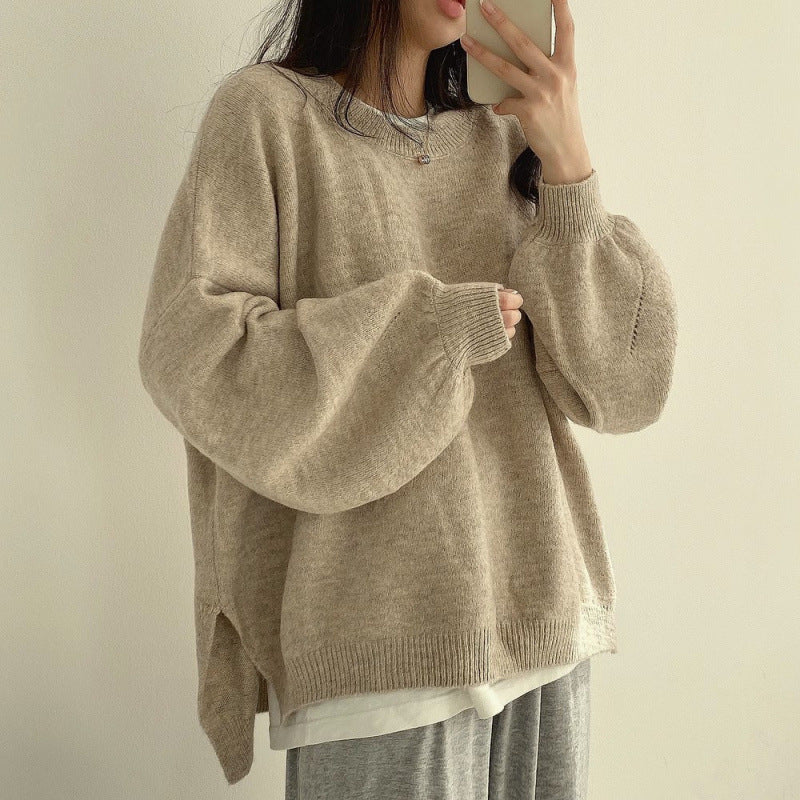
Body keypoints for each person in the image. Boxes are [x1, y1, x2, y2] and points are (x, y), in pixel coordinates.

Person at [137, 0, 678, 795]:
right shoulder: (266, 116)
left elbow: (626, 390)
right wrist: (426, 335)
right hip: (379, 651)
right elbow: (194, 352)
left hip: (547, 627)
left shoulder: (503, 136)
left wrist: (569, 164)